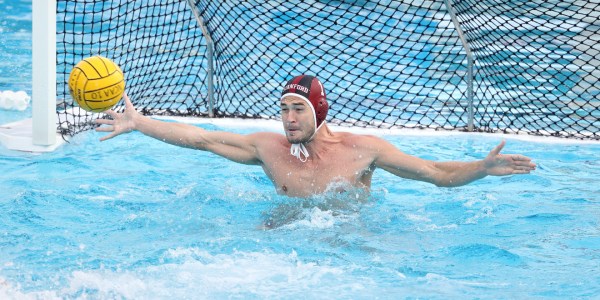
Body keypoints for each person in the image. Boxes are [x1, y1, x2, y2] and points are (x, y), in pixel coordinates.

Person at [95, 75, 536, 198]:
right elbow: (201, 138)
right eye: (283, 108)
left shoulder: (363, 151)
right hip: (282, 239)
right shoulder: (266, 148)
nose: (287, 118)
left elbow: (436, 173)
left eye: (297, 109)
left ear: (319, 112)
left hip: (348, 242)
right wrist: (139, 123)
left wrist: (481, 168)